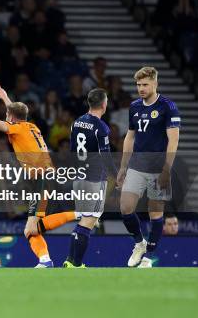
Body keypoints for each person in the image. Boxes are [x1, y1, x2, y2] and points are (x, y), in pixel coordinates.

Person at [0, 81, 77, 268]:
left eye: (7, 115)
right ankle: (45, 260)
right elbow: (14, 114)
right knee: (32, 231)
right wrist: (4, 97)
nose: (5, 117)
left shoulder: (17, 128)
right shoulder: (31, 127)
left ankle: (81, 214)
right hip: (46, 178)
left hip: (42, 179)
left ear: (11, 118)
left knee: (32, 228)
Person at [117, 67, 180, 268]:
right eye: (138, 85)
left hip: (159, 167)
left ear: (155, 84)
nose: (141, 88)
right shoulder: (135, 106)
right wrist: (123, 166)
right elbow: (130, 136)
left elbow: (173, 141)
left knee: (156, 214)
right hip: (137, 165)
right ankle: (139, 243)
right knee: (125, 208)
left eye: (145, 84)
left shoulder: (168, 106)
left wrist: (167, 169)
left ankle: (148, 257)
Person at [64, 88, 117, 268]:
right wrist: (116, 177)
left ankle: (71, 261)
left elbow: (72, 152)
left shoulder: (76, 123)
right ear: (104, 104)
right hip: (94, 178)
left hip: (78, 177)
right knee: (88, 221)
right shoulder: (101, 127)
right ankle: (75, 263)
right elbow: (106, 156)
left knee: (85, 219)